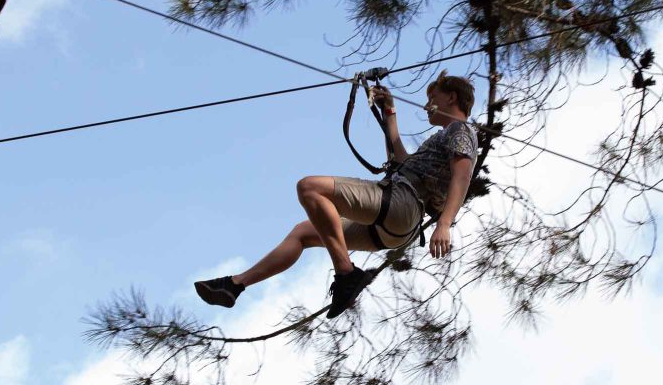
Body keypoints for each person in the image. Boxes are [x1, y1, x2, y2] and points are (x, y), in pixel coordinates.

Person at [193, 71, 478, 318]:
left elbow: (462, 175)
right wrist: (389, 112)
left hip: (402, 204)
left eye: (434, 97)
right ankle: (235, 285)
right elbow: (401, 161)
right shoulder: (442, 137)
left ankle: (346, 272)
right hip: (394, 228)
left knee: (309, 187)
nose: (428, 105)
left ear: (451, 98)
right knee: (303, 232)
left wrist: (444, 224)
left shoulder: (460, 129)